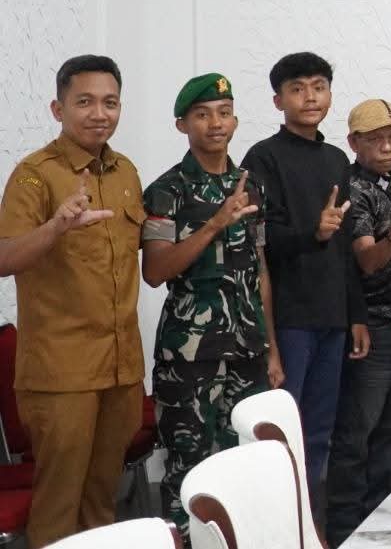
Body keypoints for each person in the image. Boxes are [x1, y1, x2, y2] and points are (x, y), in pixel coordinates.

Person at [0, 56, 144, 546]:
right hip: (62, 372)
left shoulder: (126, 172)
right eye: (85, 102)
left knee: (103, 501)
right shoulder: (34, 175)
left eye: (110, 102)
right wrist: (56, 227)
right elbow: (4, 257)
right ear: (58, 109)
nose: (99, 114)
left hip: (121, 368)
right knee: (58, 506)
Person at [141, 73, 281, 536]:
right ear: (182, 125)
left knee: (245, 466)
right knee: (190, 471)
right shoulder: (166, 190)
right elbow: (155, 271)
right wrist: (214, 224)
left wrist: (272, 349)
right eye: (202, 115)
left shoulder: (252, 186)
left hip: (248, 349)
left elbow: (260, 270)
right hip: (191, 355)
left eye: (224, 113)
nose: (215, 124)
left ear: (235, 121)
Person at [242, 51, 367, 509]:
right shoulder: (263, 157)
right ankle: (276, 523)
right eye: (297, 89)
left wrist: (356, 314)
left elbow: (346, 244)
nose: (310, 97)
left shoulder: (336, 159)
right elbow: (260, 241)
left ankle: (309, 524)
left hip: (332, 316)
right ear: (278, 101)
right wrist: (313, 232)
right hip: (289, 316)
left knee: (318, 432)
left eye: (318, 87)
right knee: (281, 432)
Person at [326, 99, 391, 545]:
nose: (388, 146)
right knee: (357, 434)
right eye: (376, 139)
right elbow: (368, 261)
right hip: (372, 327)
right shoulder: (355, 190)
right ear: (354, 143)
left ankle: (378, 525)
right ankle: (345, 531)